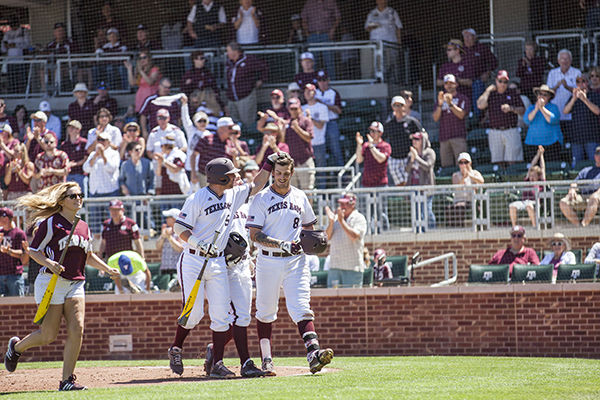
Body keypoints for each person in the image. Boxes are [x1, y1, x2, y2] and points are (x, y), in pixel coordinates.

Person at [4, 182, 120, 391]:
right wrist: (50, 263)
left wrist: (108, 268)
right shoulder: (50, 223)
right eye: (73, 196)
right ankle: (16, 347)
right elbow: (33, 251)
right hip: (51, 281)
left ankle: (67, 380)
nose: (78, 199)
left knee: (78, 329)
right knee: (48, 335)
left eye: (80, 195)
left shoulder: (83, 225)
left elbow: (89, 255)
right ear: (61, 201)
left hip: (75, 282)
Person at [167, 156, 271, 378]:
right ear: (221, 177)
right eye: (232, 174)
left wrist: (269, 164)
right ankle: (176, 348)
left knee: (221, 314)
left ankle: (218, 364)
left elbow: (257, 184)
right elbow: (179, 228)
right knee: (193, 313)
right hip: (194, 259)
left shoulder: (232, 194)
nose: (236, 177)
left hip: (217, 261)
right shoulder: (197, 198)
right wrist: (198, 243)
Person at [245, 152, 334, 375]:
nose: (282, 177)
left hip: (296, 260)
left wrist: (313, 242)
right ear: (272, 173)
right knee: (265, 311)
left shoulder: (300, 196)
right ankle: (266, 359)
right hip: (268, 260)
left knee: (302, 308)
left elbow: (308, 228)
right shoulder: (261, 198)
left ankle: (313, 354)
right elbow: (254, 235)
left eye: (286, 173)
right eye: (278, 173)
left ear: (292, 173)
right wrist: (281, 244)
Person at [202, 176, 266, 379]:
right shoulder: (219, 202)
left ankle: (242, 361)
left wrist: (249, 259)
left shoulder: (248, 206)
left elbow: (248, 236)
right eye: (235, 177)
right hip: (221, 265)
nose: (238, 180)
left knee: (243, 316)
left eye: (241, 177)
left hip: (242, 265)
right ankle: (219, 360)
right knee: (225, 317)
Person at [477, 70, 525, 166]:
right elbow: (480, 105)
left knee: (513, 160)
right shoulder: (491, 94)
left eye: (505, 82)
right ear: (496, 81)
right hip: (495, 131)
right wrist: (488, 90)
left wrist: (511, 108)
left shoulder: (512, 93)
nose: (503, 84)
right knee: (497, 161)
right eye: (500, 81)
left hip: (510, 130)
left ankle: (512, 179)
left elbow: (523, 110)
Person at [324, 193, 367, 288]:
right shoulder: (336, 218)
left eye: (345, 204)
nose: (342, 207)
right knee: (332, 300)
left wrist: (341, 221)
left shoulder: (359, 218)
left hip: (352, 268)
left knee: (352, 300)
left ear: (353, 204)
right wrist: (331, 222)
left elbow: (354, 236)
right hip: (335, 266)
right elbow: (326, 238)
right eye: (341, 204)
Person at [82, 130, 120, 230]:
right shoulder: (93, 154)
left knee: (110, 223)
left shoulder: (114, 153)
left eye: (103, 140)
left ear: (108, 141)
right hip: (95, 192)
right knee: (93, 223)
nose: (101, 142)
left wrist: (103, 155)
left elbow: (111, 168)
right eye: (99, 139)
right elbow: (86, 169)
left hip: (109, 192)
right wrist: (95, 156)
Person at [225, 42, 268, 128]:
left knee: (247, 123)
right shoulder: (229, 63)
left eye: (228, 51)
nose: (227, 53)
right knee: (234, 124)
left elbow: (264, 68)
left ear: (235, 51)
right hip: (232, 98)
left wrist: (261, 80)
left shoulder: (249, 60)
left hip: (245, 96)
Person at [384, 95, 423, 186]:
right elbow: (383, 139)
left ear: (404, 106)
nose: (398, 108)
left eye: (400, 105)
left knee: (410, 183)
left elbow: (422, 136)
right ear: (392, 107)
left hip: (409, 158)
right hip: (394, 158)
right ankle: (405, 201)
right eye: (395, 105)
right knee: (400, 186)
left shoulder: (412, 122)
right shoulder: (389, 124)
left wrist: (416, 152)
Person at [433, 74, 469, 167]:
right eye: (446, 83)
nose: (449, 85)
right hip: (444, 138)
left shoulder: (462, 98)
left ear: (456, 84)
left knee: (462, 166)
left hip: (458, 137)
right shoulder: (439, 100)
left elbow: (461, 115)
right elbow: (435, 118)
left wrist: (450, 104)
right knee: (446, 167)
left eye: (451, 83)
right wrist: (440, 105)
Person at [563, 73, 600, 164]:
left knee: (594, 163)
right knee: (576, 165)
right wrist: (574, 99)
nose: (581, 84)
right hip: (576, 138)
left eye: (583, 81)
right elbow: (565, 111)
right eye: (578, 82)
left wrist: (585, 99)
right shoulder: (573, 97)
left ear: (587, 83)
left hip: (592, 137)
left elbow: (597, 111)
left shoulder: (594, 95)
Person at [461, 28, 498, 118]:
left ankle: (476, 118)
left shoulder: (482, 48)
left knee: (477, 87)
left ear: (474, 37)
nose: (467, 38)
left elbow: (494, 62)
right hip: (463, 81)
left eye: (469, 36)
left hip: (478, 80)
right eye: (465, 36)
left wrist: (488, 72)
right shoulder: (461, 50)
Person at [547, 49, 582, 142]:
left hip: (572, 116)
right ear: (558, 61)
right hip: (556, 114)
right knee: (558, 142)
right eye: (562, 59)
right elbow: (547, 94)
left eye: (567, 59)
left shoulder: (577, 72)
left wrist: (567, 86)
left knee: (571, 141)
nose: (565, 61)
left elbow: (580, 92)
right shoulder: (552, 73)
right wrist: (556, 86)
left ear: (571, 60)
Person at [559, 147, 600, 226]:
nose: (599, 156)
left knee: (594, 198)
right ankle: (579, 226)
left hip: (597, 197)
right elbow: (575, 182)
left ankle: (584, 224)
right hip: (584, 196)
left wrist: (597, 194)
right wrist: (572, 190)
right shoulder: (586, 170)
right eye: (597, 153)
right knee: (563, 202)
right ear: (594, 156)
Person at [301, 0, 340, 80]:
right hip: (313, 36)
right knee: (312, 61)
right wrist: (307, 33)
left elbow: (338, 18)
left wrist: (333, 30)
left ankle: (331, 80)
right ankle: (312, 81)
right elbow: (303, 19)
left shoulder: (331, 2)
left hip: (326, 35)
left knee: (329, 60)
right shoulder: (309, 3)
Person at [365, 0, 402, 82]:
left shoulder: (392, 12)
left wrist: (399, 42)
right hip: (376, 44)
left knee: (392, 62)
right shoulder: (372, 13)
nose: (382, 2)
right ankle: (378, 81)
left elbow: (398, 27)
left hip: (390, 42)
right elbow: (367, 27)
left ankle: (394, 80)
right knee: (378, 63)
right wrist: (373, 26)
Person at [509, 146, 546, 228]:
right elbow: (531, 166)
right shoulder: (527, 181)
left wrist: (541, 155)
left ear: (538, 176)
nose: (531, 177)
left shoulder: (540, 183)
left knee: (529, 206)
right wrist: (537, 155)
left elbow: (543, 168)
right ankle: (514, 227)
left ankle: (534, 226)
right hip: (524, 202)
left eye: (534, 176)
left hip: (535, 203)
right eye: (531, 175)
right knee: (512, 206)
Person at [406, 131, 436, 230]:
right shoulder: (411, 154)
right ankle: (418, 231)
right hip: (414, 187)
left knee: (426, 210)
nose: (414, 141)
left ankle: (431, 231)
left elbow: (428, 166)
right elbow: (407, 169)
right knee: (416, 212)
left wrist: (417, 158)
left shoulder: (429, 152)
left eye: (417, 139)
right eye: (413, 139)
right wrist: (412, 159)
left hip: (425, 187)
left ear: (423, 140)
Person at [193, 117, 236, 187]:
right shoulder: (207, 139)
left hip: (223, 180)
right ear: (221, 128)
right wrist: (193, 173)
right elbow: (193, 155)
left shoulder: (231, 144)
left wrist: (235, 156)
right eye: (230, 128)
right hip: (205, 178)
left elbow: (233, 165)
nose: (232, 131)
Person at [524, 85, 563, 161]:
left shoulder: (553, 107)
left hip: (551, 144)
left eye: (545, 95)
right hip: (532, 144)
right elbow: (527, 120)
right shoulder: (531, 108)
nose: (541, 96)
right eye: (540, 94)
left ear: (549, 97)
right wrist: (536, 109)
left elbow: (552, 120)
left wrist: (542, 108)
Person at [302, 83, 329, 188]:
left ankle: (322, 195)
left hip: (319, 143)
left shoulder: (322, 107)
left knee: (320, 171)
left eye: (310, 91)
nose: (308, 93)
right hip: (306, 145)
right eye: (306, 91)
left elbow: (320, 126)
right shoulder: (301, 108)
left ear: (315, 92)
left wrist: (309, 119)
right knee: (308, 172)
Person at [446, 152, 484, 227]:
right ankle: (453, 230)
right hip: (458, 200)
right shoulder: (455, 175)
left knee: (460, 207)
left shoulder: (475, 173)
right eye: (461, 162)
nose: (463, 165)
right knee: (449, 208)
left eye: (465, 162)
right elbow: (456, 187)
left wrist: (470, 175)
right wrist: (464, 177)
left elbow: (481, 181)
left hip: (470, 200)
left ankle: (461, 229)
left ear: (470, 163)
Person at [315, 70, 344, 167]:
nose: (322, 83)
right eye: (320, 81)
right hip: (318, 124)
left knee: (335, 149)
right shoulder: (314, 93)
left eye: (324, 80)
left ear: (328, 80)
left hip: (331, 123)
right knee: (320, 150)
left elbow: (339, 110)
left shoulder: (333, 93)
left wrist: (323, 104)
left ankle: (341, 174)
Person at [356, 121, 392, 188]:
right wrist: (359, 144)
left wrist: (371, 146)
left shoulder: (385, 146)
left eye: (374, 131)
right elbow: (359, 160)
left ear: (380, 133)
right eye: (370, 131)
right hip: (366, 185)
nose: (371, 133)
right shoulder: (366, 145)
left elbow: (380, 159)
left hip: (381, 184)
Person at [0, 207, 26, 297]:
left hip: (14, 275)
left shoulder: (19, 233)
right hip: (1, 275)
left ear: (6, 218)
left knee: (18, 306)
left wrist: (9, 251)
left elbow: (22, 254)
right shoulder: (0, 233)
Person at [156, 208, 184, 282]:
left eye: (168, 217)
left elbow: (180, 248)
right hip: (164, 268)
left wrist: (169, 237)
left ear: (174, 219)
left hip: (176, 269)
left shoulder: (181, 232)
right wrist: (162, 236)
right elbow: (158, 247)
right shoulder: (166, 231)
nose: (166, 219)